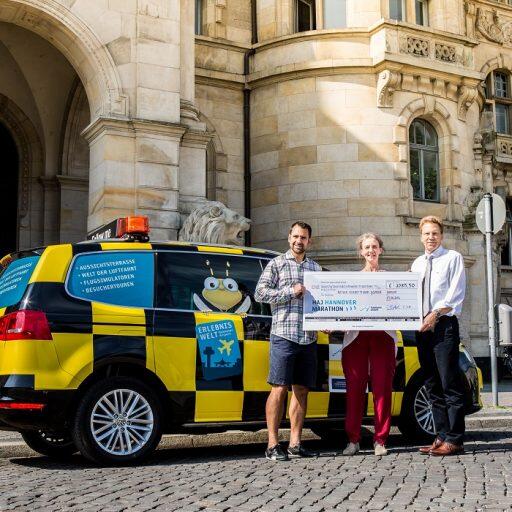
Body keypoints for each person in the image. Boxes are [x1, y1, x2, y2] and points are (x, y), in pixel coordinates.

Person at [255, 221, 322, 461]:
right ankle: (272, 444)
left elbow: (323, 301)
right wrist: (290, 292)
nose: (298, 241)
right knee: (279, 388)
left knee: (301, 390)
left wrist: (326, 321)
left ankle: (295, 443)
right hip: (283, 335)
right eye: (295, 236)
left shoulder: (315, 268)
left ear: (309, 241)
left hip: (308, 337)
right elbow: (260, 293)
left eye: (303, 238)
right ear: (289, 237)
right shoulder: (276, 264)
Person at [411, 215, 466, 456]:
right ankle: (441, 435)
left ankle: (455, 439)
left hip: (444, 326)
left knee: (449, 383)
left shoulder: (453, 258)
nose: (431, 237)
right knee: (431, 384)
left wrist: (434, 314)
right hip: (422, 330)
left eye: (434, 233)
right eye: (426, 233)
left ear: (441, 236)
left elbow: (456, 294)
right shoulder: (416, 264)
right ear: (421, 237)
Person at [341, 233, 397, 457]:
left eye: (374, 246)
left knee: (382, 389)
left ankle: (380, 440)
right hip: (356, 338)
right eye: (367, 247)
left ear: (380, 250)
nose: (371, 250)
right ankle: (353, 440)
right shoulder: (351, 280)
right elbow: (343, 308)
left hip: (383, 337)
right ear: (361, 252)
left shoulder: (391, 279)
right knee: (354, 389)